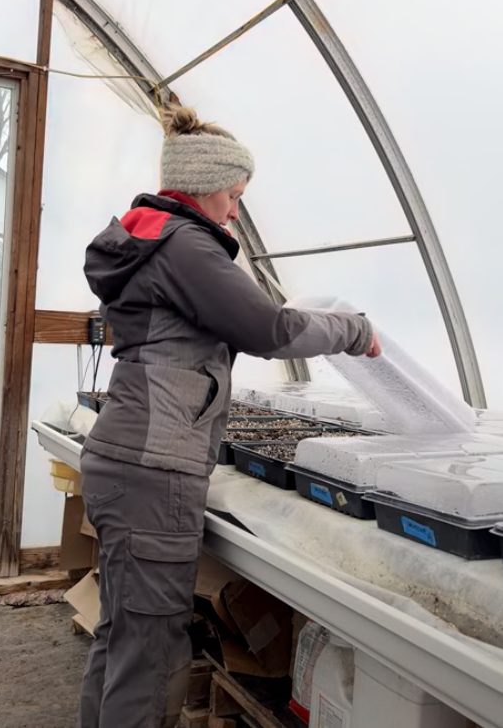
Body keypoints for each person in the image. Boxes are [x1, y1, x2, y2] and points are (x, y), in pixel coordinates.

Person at [79, 105, 381, 728]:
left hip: (126, 457)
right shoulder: (185, 244)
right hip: (154, 468)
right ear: (202, 187)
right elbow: (267, 327)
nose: (236, 211)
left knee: (123, 635)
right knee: (154, 649)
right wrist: (354, 331)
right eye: (233, 196)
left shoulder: (151, 236)